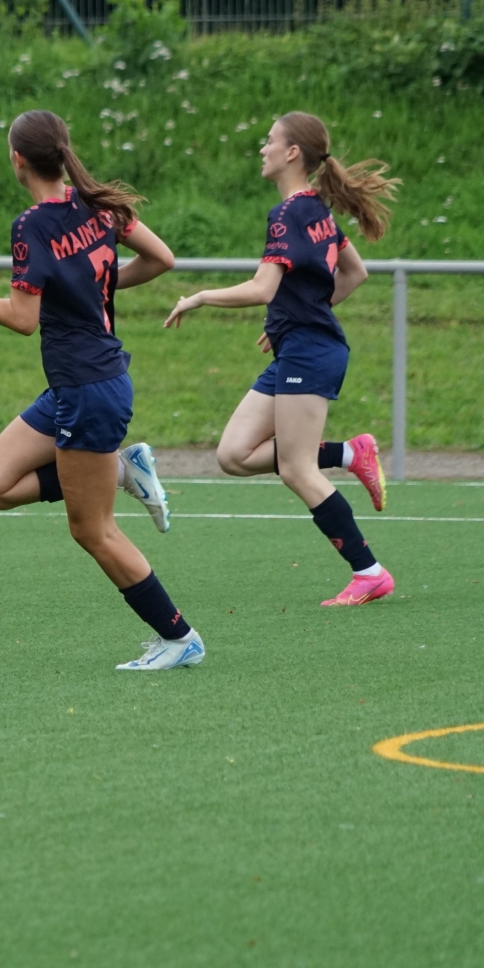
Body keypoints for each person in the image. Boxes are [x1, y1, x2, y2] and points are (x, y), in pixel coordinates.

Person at [0, 108, 202, 672]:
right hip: (79, 386)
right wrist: (94, 284)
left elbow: (22, 319)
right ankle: (123, 469)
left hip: (88, 390)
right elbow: (163, 259)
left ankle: (179, 637)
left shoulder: (31, 225)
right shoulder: (96, 204)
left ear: (17, 160)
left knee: (92, 530)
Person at [163, 112, 397, 606]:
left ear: (293, 153)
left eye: (269, 140)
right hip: (299, 346)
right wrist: (295, 317)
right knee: (233, 455)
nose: (262, 148)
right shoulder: (316, 210)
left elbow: (262, 288)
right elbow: (354, 274)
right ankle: (349, 454)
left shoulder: (289, 214)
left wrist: (200, 296)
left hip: (310, 353)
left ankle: (369, 572)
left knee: (295, 468)